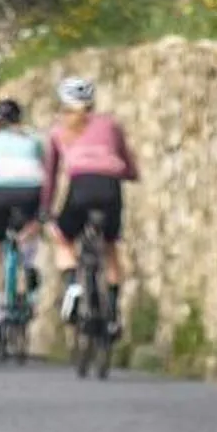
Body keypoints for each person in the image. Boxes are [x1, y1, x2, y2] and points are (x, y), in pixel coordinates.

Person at [44, 75, 138, 338]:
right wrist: (130, 173)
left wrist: (46, 209)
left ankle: (74, 286)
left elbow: (50, 174)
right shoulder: (110, 125)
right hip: (110, 188)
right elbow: (127, 161)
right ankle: (113, 314)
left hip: (81, 186)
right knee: (109, 247)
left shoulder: (59, 130)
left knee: (62, 237)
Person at [0, 97, 47, 329]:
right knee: (30, 231)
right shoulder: (34, 138)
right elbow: (44, 166)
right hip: (31, 191)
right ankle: (28, 265)